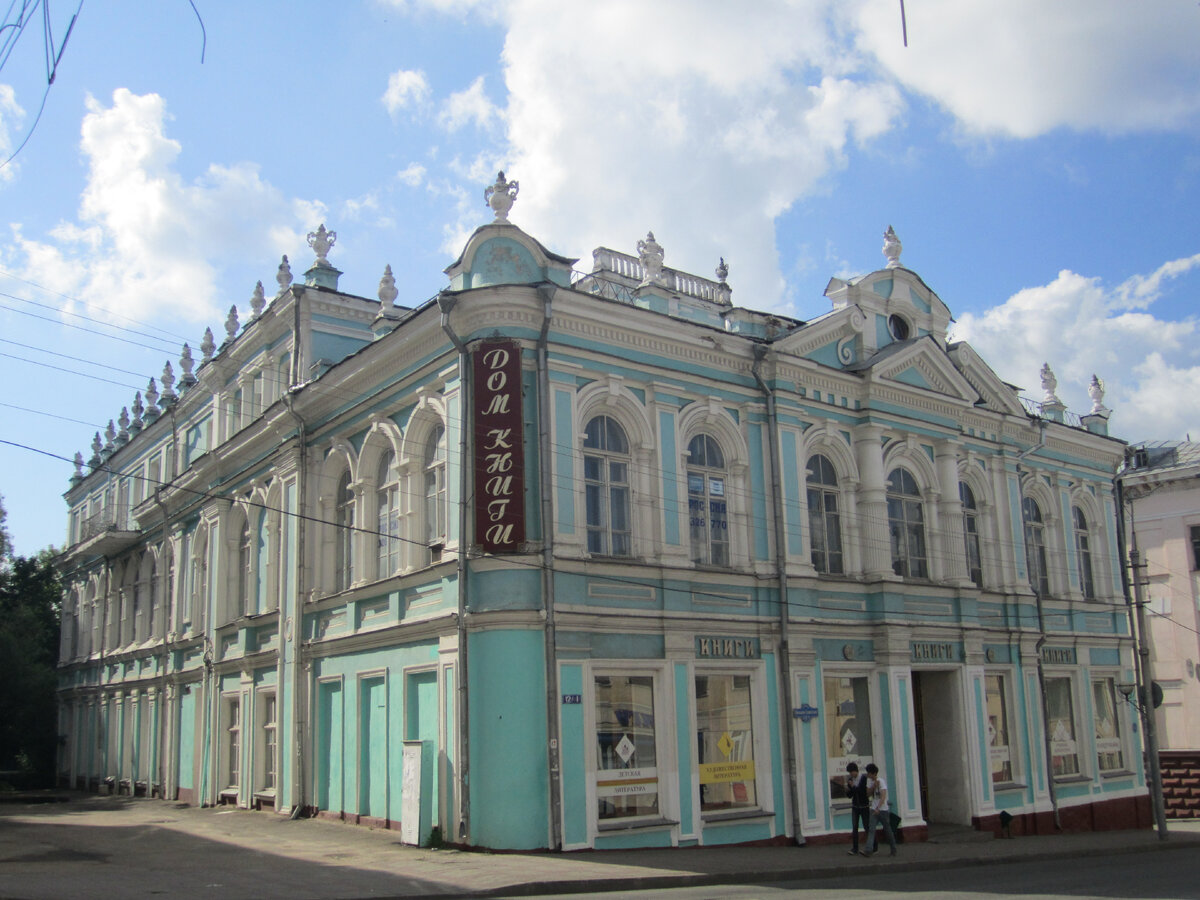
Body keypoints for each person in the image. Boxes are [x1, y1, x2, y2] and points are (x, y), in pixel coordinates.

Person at [862, 762, 897, 857]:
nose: (868, 774)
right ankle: (868, 850)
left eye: (869, 773)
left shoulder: (881, 781)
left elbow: (883, 796)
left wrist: (878, 808)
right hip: (873, 809)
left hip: (883, 810)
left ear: (873, 773)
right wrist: (874, 786)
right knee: (871, 829)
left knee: (887, 830)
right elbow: (868, 794)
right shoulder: (871, 782)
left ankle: (893, 848)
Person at [844, 762, 870, 855]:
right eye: (849, 773)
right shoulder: (851, 780)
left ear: (856, 771)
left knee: (867, 826)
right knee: (855, 827)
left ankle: (873, 846)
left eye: (851, 772)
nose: (851, 774)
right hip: (855, 806)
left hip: (864, 806)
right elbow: (851, 795)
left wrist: (852, 786)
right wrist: (847, 791)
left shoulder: (863, 778)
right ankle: (855, 848)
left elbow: (861, 791)